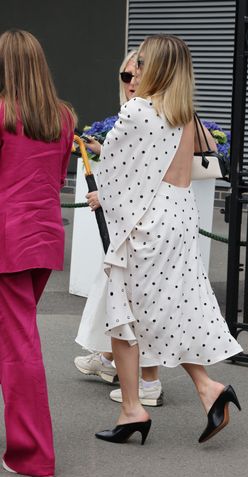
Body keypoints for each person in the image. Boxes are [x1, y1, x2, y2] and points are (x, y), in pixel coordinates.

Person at [85, 34, 243, 445]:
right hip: (179, 216)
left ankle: (133, 409)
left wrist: (102, 196)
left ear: (154, 66)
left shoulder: (137, 110)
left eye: (140, 62)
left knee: (124, 314)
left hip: (146, 221)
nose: (134, 69)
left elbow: (118, 173)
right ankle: (209, 389)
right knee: (174, 306)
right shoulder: (182, 112)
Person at [0, 29, 76, 477]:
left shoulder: (4, 114)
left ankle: (32, 455)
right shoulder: (63, 118)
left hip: (7, 240)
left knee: (18, 345)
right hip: (43, 237)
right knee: (13, 337)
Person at [74, 50, 163, 406]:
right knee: (120, 299)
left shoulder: (141, 112)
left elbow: (141, 174)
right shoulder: (157, 112)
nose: (130, 83)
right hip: (146, 222)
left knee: (137, 303)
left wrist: (106, 196)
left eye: (136, 74)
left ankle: (152, 386)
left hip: (140, 225)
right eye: (124, 76)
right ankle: (112, 362)